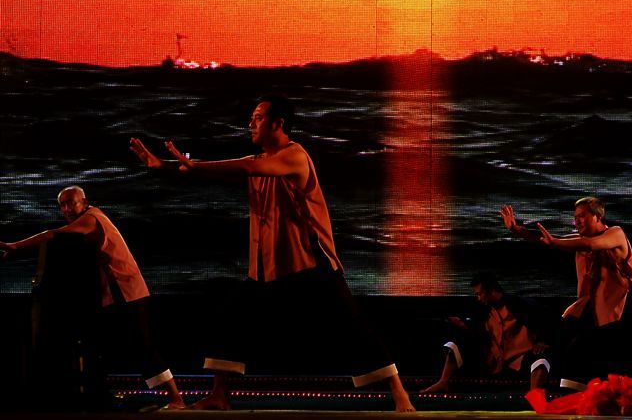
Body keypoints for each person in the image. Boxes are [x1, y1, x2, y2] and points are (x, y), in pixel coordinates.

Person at [129, 94, 415, 412]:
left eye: (258, 117)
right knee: (230, 319)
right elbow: (227, 170)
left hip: (310, 264)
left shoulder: (294, 156)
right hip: (268, 268)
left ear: (278, 123)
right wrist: (164, 167)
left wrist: (194, 164)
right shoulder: (261, 159)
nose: (251, 123)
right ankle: (220, 395)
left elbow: (249, 167)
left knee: (353, 326)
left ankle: (400, 395)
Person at [0, 186, 185, 409]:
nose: (67, 208)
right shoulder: (87, 221)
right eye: (62, 204)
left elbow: (53, 235)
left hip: (127, 290)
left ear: (85, 202)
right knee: (101, 342)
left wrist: (16, 246)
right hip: (115, 293)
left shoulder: (92, 218)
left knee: (143, 344)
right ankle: (99, 392)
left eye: (72, 202)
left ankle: (176, 398)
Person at [499, 198, 632, 391]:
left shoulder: (615, 233)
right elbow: (547, 238)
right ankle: (545, 390)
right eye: (575, 217)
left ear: (597, 216)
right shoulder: (579, 241)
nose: (577, 221)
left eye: (582, 216)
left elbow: (591, 244)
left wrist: (554, 242)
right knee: (559, 341)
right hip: (594, 306)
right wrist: (516, 230)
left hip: (629, 305)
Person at [422, 271, 550, 393]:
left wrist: (542, 340)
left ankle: (535, 397)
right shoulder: (485, 311)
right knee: (457, 342)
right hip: (493, 362)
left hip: (520, 360)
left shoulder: (519, 305)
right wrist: (461, 324)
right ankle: (443, 382)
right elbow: (475, 329)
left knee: (540, 359)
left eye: (480, 294)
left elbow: (544, 319)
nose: (478, 298)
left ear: (491, 290)